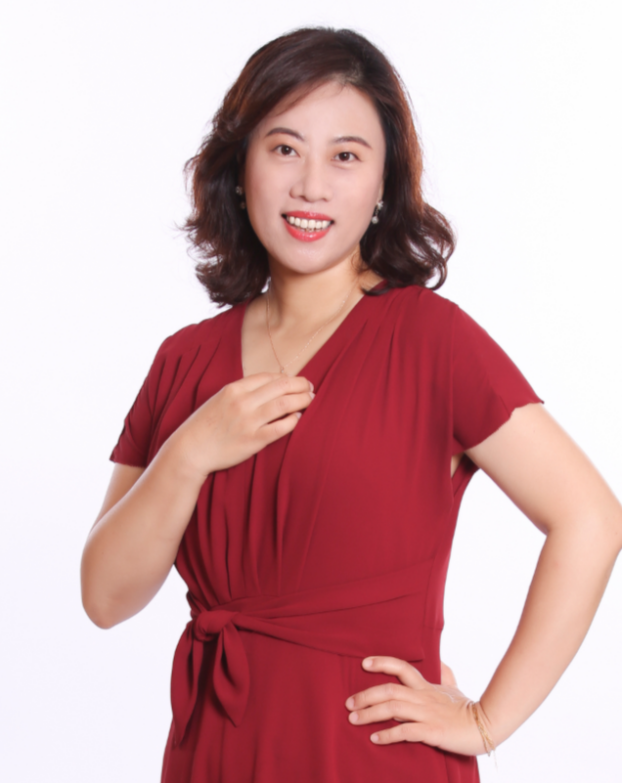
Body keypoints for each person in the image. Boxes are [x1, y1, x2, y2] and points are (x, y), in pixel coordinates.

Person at [80, 26, 622, 783]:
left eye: (345, 156)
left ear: (383, 184)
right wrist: (191, 451)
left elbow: (591, 518)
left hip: (371, 757)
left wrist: (486, 719)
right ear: (240, 166)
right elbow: (105, 597)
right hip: (215, 752)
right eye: (284, 148)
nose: (311, 185)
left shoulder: (432, 341)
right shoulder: (184, 360)